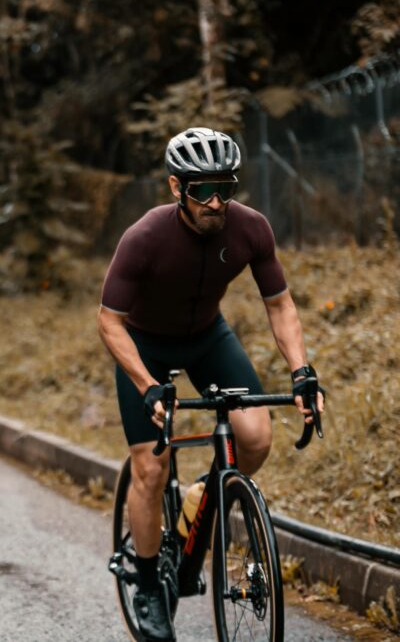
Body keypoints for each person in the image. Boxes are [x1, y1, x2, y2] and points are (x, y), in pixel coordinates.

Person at [97, 127, 325, 641]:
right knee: (150, 467)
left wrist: (301, 371)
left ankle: (202, 495)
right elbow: (109, 321)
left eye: (225, 187)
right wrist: (146, 384)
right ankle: (148, 584)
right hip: (145, 345)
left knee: (256, 439)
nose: (216, 202)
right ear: (177, 187)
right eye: (202, 190)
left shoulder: (251, 228)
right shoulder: (144, 237)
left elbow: (279, 304)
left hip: (206, 339)